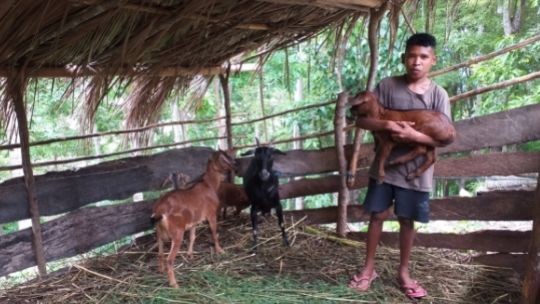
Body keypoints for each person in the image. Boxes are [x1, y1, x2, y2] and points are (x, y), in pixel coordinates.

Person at [348, 33, 453, 299]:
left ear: (433, 60)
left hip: (416, 173)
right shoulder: (387, 86)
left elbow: (445, 138)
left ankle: (403, 272)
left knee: (407, 220)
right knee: (377, 216)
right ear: (404, 58)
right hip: (385, 168)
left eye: (423, 57)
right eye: (412, 56)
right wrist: (386, 125)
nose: (417, 62)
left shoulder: (438, 95)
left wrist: (414, 137)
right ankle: (368, 269)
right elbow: (362, 122)